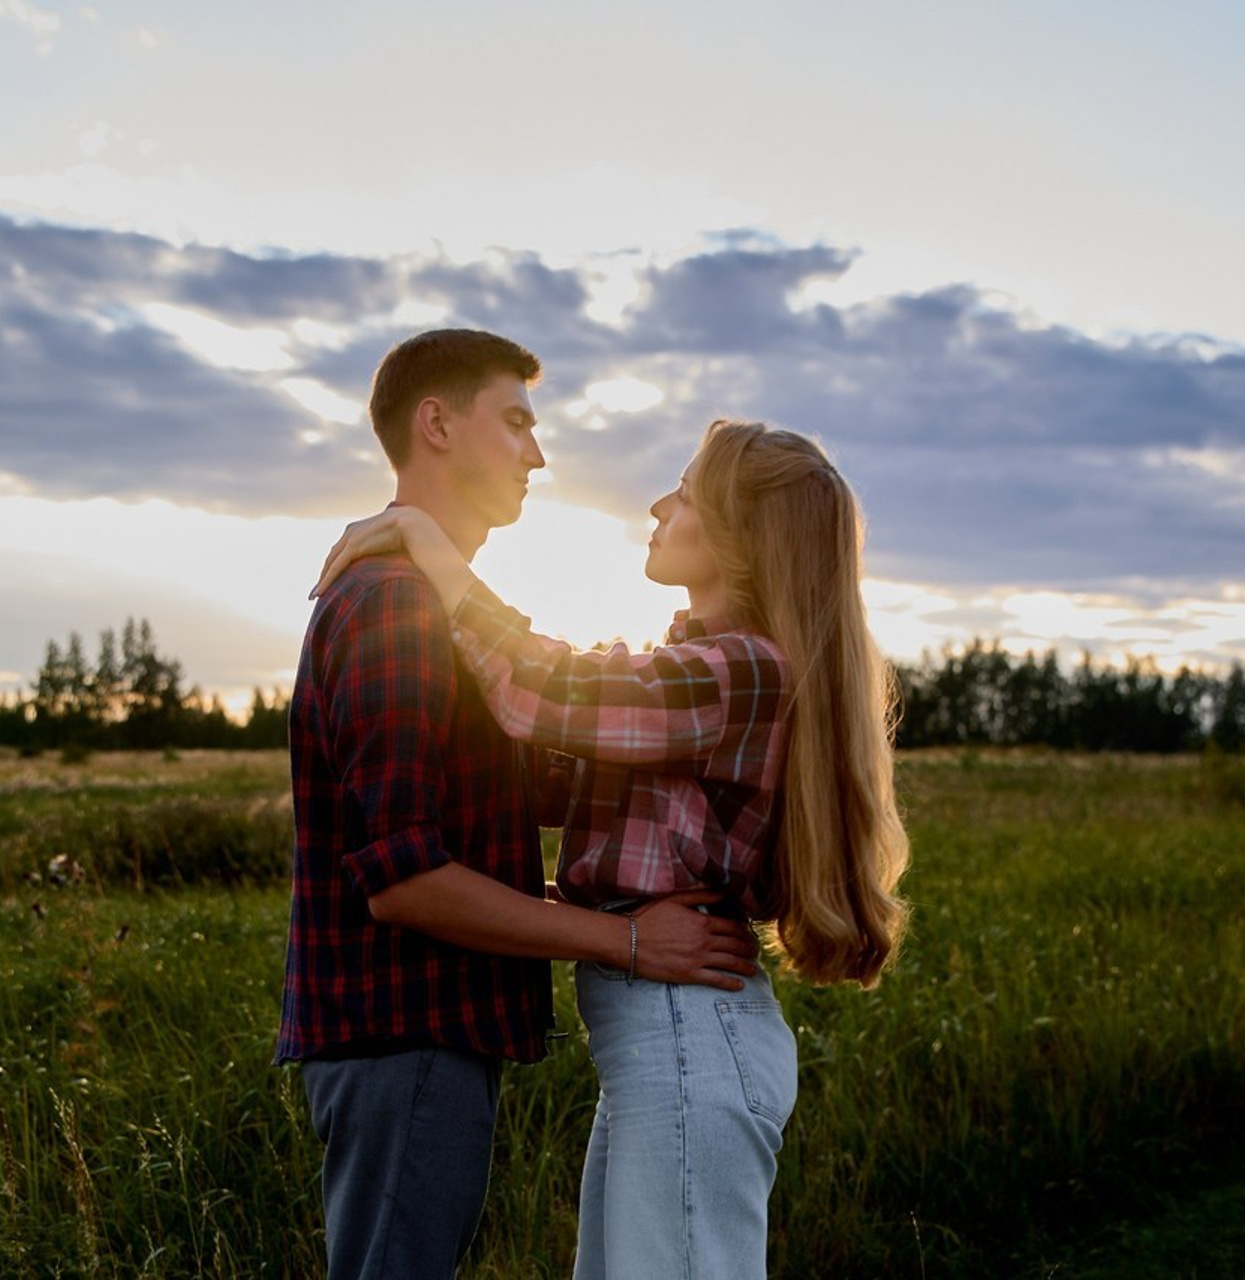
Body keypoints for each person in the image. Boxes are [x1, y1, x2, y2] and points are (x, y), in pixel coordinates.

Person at [313, 417, 912, 1279]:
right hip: (661, 1039)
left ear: (739, 535)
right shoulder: (700, 667)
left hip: (686, 1034)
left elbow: (540, 689)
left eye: (687, 494)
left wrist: (424, 539)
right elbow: (561, 774)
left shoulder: (744, 671)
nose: (660, 506)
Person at [274, 330, 759, 1280]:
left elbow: (520, 782)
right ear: (437, 424)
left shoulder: (439, 608)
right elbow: (404, 881)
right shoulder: (394, 603)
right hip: (405, 1034)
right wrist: (626, 940)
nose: (537, 455)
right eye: (516, 422)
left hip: (422, 1038)